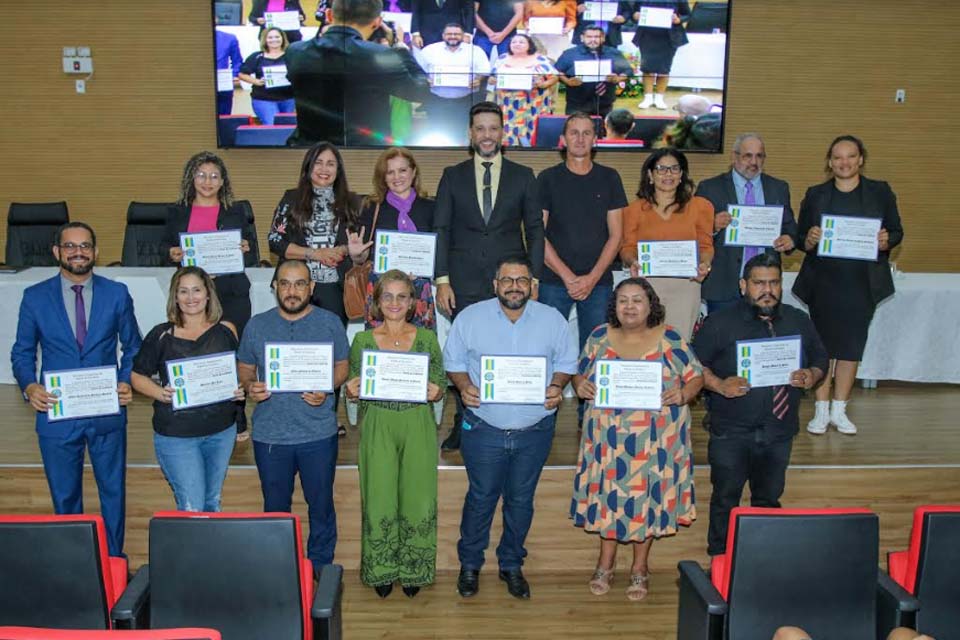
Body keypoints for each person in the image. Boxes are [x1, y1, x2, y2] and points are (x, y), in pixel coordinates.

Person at [443, 254, 578, 599]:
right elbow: (454, 362)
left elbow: (565, 363)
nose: (514, 287)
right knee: (481, 497)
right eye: (507, 280)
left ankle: (511, 564)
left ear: (533, 286)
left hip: (535, 430)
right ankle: (470, 564)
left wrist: (555, 386)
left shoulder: (553, 319)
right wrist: (463, 386)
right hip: (484, 427)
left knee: (520, 500)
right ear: (495, 285)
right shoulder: (469, 318)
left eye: (521, 280)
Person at [11, 222, 142, 556]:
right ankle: (76, 565)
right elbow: (22, 352)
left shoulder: (117, 294)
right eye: (70, 246)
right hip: (58, 411)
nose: (78, 252)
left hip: (105, 410)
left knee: (112, 491)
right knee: (65, 495)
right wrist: (29, 386)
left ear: (96, 252)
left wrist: (126, 380)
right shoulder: (35, 297)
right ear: (57, 252)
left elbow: (133, 347)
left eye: (85, 246)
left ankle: (114, 560)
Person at [571, 276, 702, 600]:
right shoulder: (599, 336)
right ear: (614, 306)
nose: (630, 306)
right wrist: (579, 384)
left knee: (648, 501)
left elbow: (696, 377)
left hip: (656, 440)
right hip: (608, 439)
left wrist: (684, 393)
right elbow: (578, 370)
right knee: (608, 498)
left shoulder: (670, 339)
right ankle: (606, 562)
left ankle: (640, 568)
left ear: (651, 305)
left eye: (637, 300)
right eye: (623, 300)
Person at [692, 253, 828, 557]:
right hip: (731, 430)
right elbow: (693, 366)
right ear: (743, 285)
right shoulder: (719, 323)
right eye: (759, 283)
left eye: (774, 283)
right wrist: (719, 385)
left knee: (768, 500)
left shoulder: (798, 319)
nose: (767, 290)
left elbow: (821, 359)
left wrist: (811, 375)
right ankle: (720, 564)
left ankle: (763, 561)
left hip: (779, 431)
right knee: (726, 499)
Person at [433, 100, 544, 450]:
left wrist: (534, 279)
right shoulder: (452, 175)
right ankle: (462, 422)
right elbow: (442, 229)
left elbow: (536, 231)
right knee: (464, 354)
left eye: (493, 128)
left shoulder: (524, 176)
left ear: (502, 133)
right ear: (470, 133)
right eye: (480, 128)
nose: (486, 135)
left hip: (511, 284)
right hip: (463, 281)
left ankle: (505, 419)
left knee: (507, 350)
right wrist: (442, 280)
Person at [237, 259, 350, 574]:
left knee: (321, 506)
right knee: (275, 510)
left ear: (311, 288)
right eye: (284, 283)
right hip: (270, 436)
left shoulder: (330, 323)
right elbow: (245, 366)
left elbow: (343, 365)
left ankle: (320, 568)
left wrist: (327, 385)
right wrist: (249, 386)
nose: (292, 290)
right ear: (274, 286)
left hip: (318, 434)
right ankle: (279, 569)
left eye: (300, 283)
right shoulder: (256, 325)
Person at [344, 271, 446, 598]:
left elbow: (441, 384)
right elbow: (354, 387)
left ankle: (414, 568)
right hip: (378, 423)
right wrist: (351, 390)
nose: (394, 303)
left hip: (417, 423)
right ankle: (382, 568)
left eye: (402, 296)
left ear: (413, 303)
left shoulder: (428, 339)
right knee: (378, 496)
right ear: (376, 302)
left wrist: (436, 391)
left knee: (418, 496)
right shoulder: (361, 341)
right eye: (387, 296)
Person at [794, 135, 904, 436]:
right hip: (824, 283)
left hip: (862, 284)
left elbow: (896, 231)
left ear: (861, 160)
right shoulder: (816, 194)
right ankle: (820, 410)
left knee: (850, 348)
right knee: (823, 348)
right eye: (838, 157)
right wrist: (810, 238)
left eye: (850, 156)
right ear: (830, 162)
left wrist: (887, 240)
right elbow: (801, 236)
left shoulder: (880, 192)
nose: (844, 162)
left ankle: (840, 410)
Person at [131, 267, 246, 512]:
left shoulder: (226, 330)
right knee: (191, 505)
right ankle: (192, 551)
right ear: (175, 296)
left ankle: (210, 551)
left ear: (208, 295)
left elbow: (237, 374)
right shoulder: (161, 334)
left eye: (196, 290)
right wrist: (159, 392)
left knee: (212, 501)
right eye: (183, 291)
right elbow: (136, 376)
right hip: (177, 435)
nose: (190, 297)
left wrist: (238, 388)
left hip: (221, 432)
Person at [537, 112, 626, 421]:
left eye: (586, 133)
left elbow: (616, 236)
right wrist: (569, 277)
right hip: (552, 280)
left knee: (597, 349)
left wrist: (591, 278)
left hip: (598, 282)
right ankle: (543, 407)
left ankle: (589, 413)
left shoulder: (610, 177)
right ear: (563, 139)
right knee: (547, 345)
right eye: (573, 132)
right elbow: (539, 234)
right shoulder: (547, 179)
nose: (579, 138)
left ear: (595, 139)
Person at [284, 0, 431, 146]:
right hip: (364, 154)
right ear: (377, 22)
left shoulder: (295, 51)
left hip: (310, 153)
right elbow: (419, 91)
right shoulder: (381, 55)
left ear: (329, 15)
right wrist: (400, 47)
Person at [696, 133, 798, 313]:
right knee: (723, 339)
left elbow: (790, 228)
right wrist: (713, 226)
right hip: (724, 284)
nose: (754, 161)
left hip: (765, 285)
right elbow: (694, 232)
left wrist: (789, 239)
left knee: (761, 339)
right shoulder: (710, 188)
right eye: (747, 156)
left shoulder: (778, 188)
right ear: (734, 157)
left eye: (759, 156)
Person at [620, 148, 714, 339]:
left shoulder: (701, 207)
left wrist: (704, 264)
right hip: (647, 287)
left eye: (674, 169)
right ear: (650, 175)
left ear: (682, 175)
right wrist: (633, 262)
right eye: (661, 169)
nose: (668, 174)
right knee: (644, 343)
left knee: (678, 345)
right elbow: (627, 248)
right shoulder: (634, 210)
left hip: (686, 286)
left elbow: (706, 246)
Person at [269, 141, 361, 326]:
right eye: (318, 162)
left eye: (330, 163)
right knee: (295, 342)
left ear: (338, 170)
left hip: (335, 288)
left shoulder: (353, 202)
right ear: (308, 166)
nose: (324, 168)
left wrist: (342, 250)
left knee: (331, 343)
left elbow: (359, 242)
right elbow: (275, 241)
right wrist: (315, 253)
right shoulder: (291, 198)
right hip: (297, 285)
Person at [165, 151, 256, 335]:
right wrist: (171, 252)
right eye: (201, 175)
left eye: (214, 176)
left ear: (222, 182)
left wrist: (246, 248)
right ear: (192, 178)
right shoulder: (177, 212)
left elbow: (252, 254)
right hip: (194, 294)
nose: (208, 182)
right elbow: (164, 247)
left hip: (231, 293)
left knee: (231, 347)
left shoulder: (236, 211)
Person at [347, 147, 438, 330]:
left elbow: (440, 251)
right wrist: (356, 255)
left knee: (419, 350)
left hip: (418, 292)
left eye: (402, 170)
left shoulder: (432, 207)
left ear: (413, 172)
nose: (397, 177)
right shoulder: (371, 207)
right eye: (390, 172)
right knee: (380, 351)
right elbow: (362, 257)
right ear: (383, 177)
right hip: (382, 294)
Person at [417, 23, 491, 145]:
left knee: (461, 132)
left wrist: (479, 79)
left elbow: (485, 70)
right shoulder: (429, 50)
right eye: (449, 34)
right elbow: (418, 70)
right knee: (436, 131)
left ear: (463, 36)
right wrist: (425, 79)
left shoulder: (475, 51)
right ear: (443, 35)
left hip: (464, 101)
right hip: (436, 100)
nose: (453, 36)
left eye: (456, 34)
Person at [490, 33, 558, 147]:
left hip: (535, 104)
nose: (517, 44)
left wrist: (543, 84)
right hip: (509, 104)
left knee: (533, 132)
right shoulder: (502, 58)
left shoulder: (540, 59)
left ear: (529, 45)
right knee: (510, 132)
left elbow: (555, 77)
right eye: (514, 42)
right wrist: (492, 80)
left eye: (521, 42)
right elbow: (492, 77)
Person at [555, 23, 633, 118]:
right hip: (577, 104)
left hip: (605, 104)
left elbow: (628, 71)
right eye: (589, 37)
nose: (593, 40)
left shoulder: (613, 53)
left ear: (603, 38)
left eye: (597, 37)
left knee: (603, 130)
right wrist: (567, 81)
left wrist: (618, 78)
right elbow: (557, 71)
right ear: (582, 38)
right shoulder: (570, 54)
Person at [633, 1, 690, 110]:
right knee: (647, 68)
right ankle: (648, 97)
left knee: (664, 69)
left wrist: (679, 19)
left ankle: (659, 98)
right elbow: (634, 12)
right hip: (647, 35)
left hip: (669, 36)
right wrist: (636, 15)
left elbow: (687, 14)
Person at [238, 27, 297, 125]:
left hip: (288, 99)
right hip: (264, 99)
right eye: (270, 37)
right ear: (265, 39)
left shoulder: (291, 55)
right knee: (271, 125)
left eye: (277, 37)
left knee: (287, 127)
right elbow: (242, 74)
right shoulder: (257, 57)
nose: (274, 40)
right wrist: (256, 81)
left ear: (283, 38)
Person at [215, 29, 243, 115]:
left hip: (223, 84)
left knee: (224, 117)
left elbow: (237, 61)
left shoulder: (229, 38)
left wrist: (233, 75)